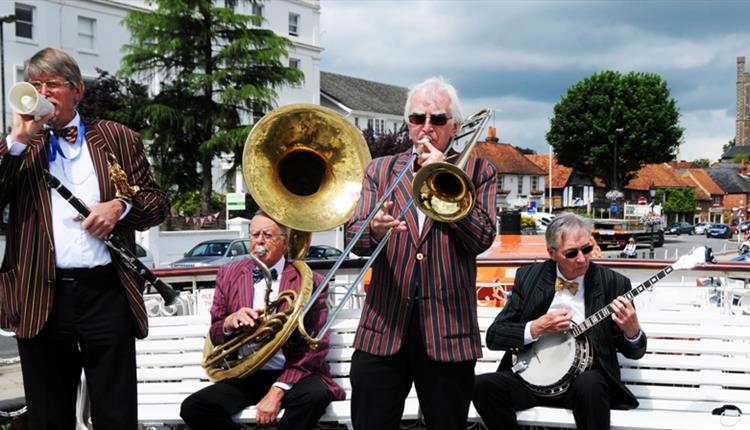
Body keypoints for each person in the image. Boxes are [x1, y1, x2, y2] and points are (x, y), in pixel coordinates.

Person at [0, 47, 169, 429]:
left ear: (77, 90)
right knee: (48, 416)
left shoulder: (117, 138)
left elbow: (158, 204)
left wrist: (120, 207)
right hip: (41, 294)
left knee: (115, 412)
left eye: (52, 85)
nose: (42, 93)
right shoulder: (16, 148)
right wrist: (18, 142)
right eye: (35, 85)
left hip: (106, 291)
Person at [345, 76, 497, 430]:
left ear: (454, 126)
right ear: (408, 124)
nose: (426, 128)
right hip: (382, 329)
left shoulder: (478, 170)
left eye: (438, 120)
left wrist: (441, 174)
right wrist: (373, 228)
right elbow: (352, 241)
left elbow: (482, 238)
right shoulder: (379, 170)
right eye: (418, 119)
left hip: (448, 331)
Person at [473, 214, 646, 430]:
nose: (582, 259)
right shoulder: (529, 277)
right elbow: (494, 336)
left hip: (582, 383)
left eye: (587, 249)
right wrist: (535, 328)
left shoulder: (614, 283)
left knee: (591, 385)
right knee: (482, 386)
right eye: (571, 253)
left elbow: (635, 352)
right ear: (552, 253)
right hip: (531, 380)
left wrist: (633, 332)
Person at [180, 211, 344, 429]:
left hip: (295, 373)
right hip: (248, 373)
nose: (259, 241)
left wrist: (277, 390)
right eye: (254, 234)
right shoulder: (229, 274)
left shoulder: (310, 280)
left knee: (313, 397)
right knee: (195, 407)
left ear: (285, 242)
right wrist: (229, 322)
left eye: (268, 235)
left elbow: (315, 345)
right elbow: (216, 333)